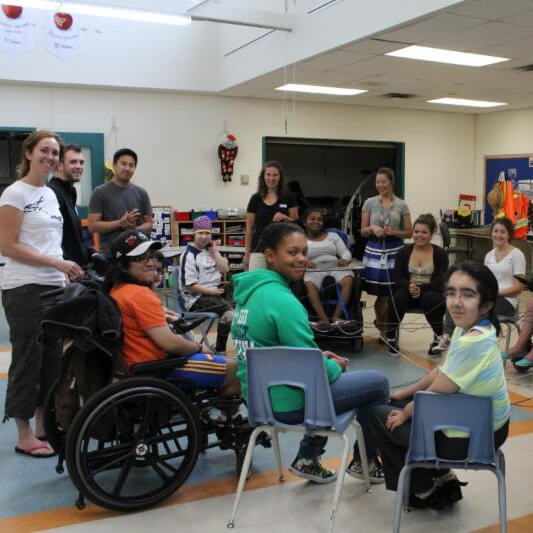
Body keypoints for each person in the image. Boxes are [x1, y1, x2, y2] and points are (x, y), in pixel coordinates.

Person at [231, 222, 389, 484]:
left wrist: (321, 357)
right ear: (270, 255)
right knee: (377, 383)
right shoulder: (283, 301)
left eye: (304, 252)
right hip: (289, 404)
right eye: (292, 253)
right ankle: (366, 462)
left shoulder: (248, 295)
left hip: (258, 401)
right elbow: (312, 371)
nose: (302, 259)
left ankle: (308, 458)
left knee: (325, 372)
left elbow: (284, 354)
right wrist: (335, 365)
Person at [363, 261, 510, 508]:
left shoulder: (472, 342)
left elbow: (433, 396)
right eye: (451, 292)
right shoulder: (471, 330)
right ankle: (440, 475)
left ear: (486, 304)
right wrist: (404, 394)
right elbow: (441, 372)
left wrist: (406, 411)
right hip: (490, 427)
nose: (456, 302)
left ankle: (423, 489)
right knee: (396, 402)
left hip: (471, 441)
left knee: (374, 414)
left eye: (468, 294)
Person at [0, 130, 83, 458]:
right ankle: (23, 434)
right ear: (30, 153)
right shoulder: (14, 194)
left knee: (52, 358)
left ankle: (42, 424)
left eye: (54, 152)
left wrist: (61, 273)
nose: (50, 157)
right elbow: (7, 245)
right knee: (27, 359)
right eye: (44, 151)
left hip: (52, 285)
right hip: (23, 287)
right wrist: (55, 263)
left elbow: (51, 242)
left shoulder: (49, 194)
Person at [106, 229, 240, 400]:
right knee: (235, 369)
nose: (150, 263)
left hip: (136, 367)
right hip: (159, 369)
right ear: (123, 265)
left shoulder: (118, 290)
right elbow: (170, 344)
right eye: (140, 258)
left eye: (151, 256)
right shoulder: (139, 295)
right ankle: (226, 420)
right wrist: (199, 347)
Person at [438, 217, 525, 356]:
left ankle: (474, 348)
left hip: (507, 301)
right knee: (457, 302)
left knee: (473, 309)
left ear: (509, 234)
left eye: (502, 232)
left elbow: (518, 287)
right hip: (489, 297)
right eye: (495, 231)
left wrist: (497, 293)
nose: (498, 235)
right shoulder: (489, 255)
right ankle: (447, 337)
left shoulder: (517, 255)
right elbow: (483, 281)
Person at [360, 167, 412, 342]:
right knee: (380, 293)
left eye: (383, 181)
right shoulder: (369, 202)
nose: (380, 185)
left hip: (395, 251)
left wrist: (394, 232)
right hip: (375, 250)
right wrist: (373, 228)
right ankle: (382, 326)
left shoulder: (402, 205)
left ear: (391, 182)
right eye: (377, 182)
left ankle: (386, 327)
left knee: (392, 293)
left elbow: (409, 232)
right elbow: (363, 231)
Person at [385, 214, 448, 356]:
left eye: (424, 232)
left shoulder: (440, 254)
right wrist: (409, 285)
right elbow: (398, 276)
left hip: (431, 289)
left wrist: (422, 288)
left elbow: (440, 279)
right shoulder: (403, 251)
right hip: (408, 288)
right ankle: (391, 337)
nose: (420, 235)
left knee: (431, 299)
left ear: (431, 235)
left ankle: (438, 338)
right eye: (416, 232)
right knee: (398, 297)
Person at [179, 215, 234, 353]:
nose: (204, 237)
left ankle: (228, 313)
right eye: (200, 233)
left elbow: (225, 270)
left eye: (207, 233)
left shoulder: (211, 251)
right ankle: (220, 349)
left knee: (237, 290)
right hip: (196, 298)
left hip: (215, 292)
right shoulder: (189, 255)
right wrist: (212, 292)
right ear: (194, 234)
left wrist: (215, 252)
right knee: (230, 313)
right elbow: (190, 285)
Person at [88, 148, 153, 254]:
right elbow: (93, 226)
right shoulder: (100, 192)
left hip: (138, 252)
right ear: (114, 165)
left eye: (131, 165)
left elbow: (149, 225)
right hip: (110, 253)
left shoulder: (142, 193)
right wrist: (120, 223)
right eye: (123, 164)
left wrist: (134, 229)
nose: (127, 168)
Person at [302, 208, 354, 325]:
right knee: (309, 284)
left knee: (348, 279)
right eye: (312, 219)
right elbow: (297, 255)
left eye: (319, 220)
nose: (316, 221)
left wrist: (345, 259)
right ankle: (323, 319)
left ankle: (336, 316)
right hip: (314, 268)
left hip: (336, 265)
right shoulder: (300, 238)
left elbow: (346, 252)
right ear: (305, 222)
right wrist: (305, 261)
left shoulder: (333, 236)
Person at [244, 161, 298, 271]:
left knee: (278, 283)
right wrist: (247, 253)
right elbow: (249, 228)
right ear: (263, 177)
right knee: (257, 283)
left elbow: (297, 224)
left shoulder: (288, 197)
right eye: (268, 175)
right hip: (258, 250)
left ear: (280, 177)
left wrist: (285, 218)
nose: (271, 178)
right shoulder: (255, 198)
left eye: (275, 175)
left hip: (282, 250)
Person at [48, 144, 93, 267]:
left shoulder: (71, 192)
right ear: (60, 165)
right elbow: (53, 239)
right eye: (73, 162)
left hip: (78, 268)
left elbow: (73, 234)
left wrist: (90, 253)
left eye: (81, 162)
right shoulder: (53, 193)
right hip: (65, 271)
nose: (79, 166)